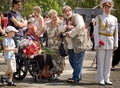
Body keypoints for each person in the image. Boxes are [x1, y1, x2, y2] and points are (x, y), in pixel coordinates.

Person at [59, 5, 86, 83]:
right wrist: (67, 26)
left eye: (68, 11)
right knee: (71, 61)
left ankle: (76, 78)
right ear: (63, 13)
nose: (67, 13)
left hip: (78, 43)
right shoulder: (64, 20)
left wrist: (71, 33)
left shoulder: (77, 17)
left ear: (71, 11)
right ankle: (78, 75)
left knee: (77, 61)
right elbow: (60, 28)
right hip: (70, 45)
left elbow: (80, 26)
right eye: (65, 12)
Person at [94, 0, 118, 85]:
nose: (107, 9)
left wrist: (116, 44)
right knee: (100, 61)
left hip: (110, 42)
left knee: (108, 62)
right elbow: (96, 31)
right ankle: (101, 78)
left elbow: (116, 32)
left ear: (111, 8)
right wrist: (96, 44)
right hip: (101, 41)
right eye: (105, 7)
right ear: (102, 8)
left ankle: (107, 78)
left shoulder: (114, 19)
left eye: (109, 7)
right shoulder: (98, 18)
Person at [43, 9, 65, 78]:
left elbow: (65, 31)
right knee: (52, 60)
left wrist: (62, 35)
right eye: (53, 17)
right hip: (50, 44)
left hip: (59, 45)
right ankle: (54, 73)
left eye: (56, 16)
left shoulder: (61, 23)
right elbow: (44, 31)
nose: (55, 18)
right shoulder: (47, 23)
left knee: (59, 60)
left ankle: (58, 73)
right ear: (50, 18)